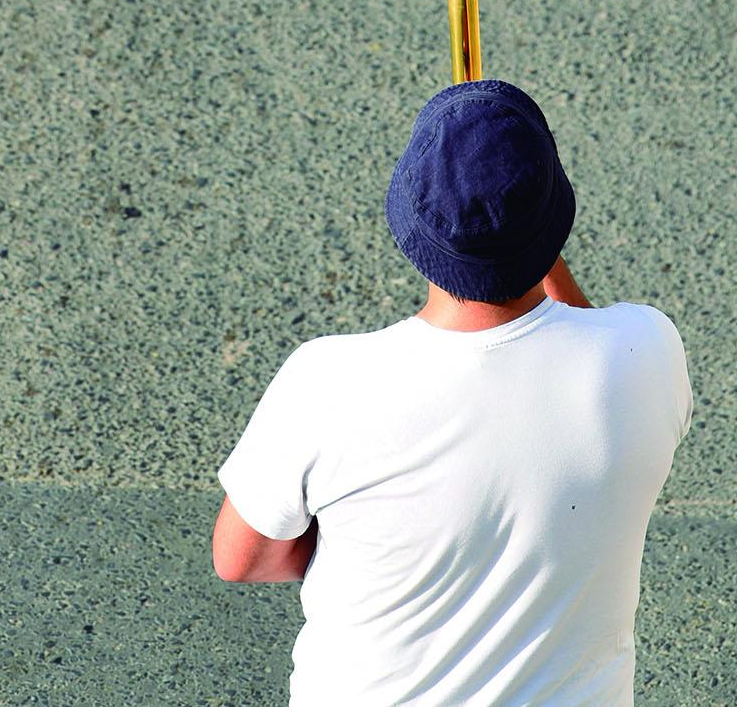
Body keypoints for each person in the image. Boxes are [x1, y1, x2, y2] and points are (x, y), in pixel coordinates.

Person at [212, 78, 693, 706]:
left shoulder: (326, 384)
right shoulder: (648, 352)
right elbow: (586, 334)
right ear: (553, 225)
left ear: (410, 221)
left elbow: (242, 560)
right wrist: (521, 227)